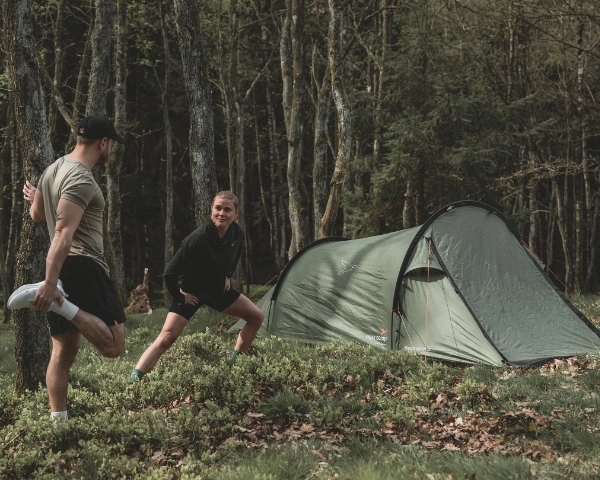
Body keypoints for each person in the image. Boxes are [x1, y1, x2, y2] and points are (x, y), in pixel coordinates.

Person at [8, 115, 127, 422]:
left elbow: (36, 215)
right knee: (114, 345)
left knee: (62, 354)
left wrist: (38, 196)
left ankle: (58, 426)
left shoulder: (53, 170)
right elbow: (62, 233)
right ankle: (61, 303)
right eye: (111, 144)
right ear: (103, 143)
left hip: (62, 268)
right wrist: (50, 284)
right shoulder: (81, 179)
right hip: (82, 264)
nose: (110, 150)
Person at [130, 191, 264, 382]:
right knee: (166, 338)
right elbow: (169, 272)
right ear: (211, 210)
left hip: (218, 291)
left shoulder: (237, 233)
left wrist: (228, 275)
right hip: (191, 292)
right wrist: (180, 297)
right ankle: (135, 378)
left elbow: (235, 255)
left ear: (236, 214)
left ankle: (234, 365)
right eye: (218, 208)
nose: (221, 213)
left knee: (256, 317)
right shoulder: (198, 238)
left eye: (227, 210)